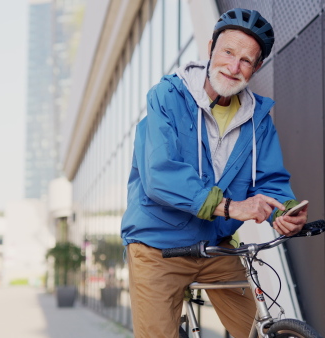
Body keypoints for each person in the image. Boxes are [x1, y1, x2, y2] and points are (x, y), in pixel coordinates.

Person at [121, 8, 308, 338]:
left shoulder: (257, 120)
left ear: (257, 67)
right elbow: (160, 175)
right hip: (158, 248)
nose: (234, 67)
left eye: (246, 60)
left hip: (217, 247)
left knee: (257, 330)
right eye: (228, 52)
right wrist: (232, 207)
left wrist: (286, 210)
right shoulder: (167, 98)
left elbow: (271, 180)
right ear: (210, 49)